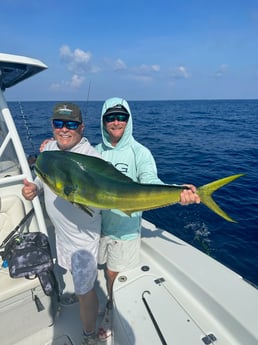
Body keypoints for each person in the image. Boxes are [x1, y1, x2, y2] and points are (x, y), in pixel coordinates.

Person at [95, 97, 201, 341]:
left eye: (121, 117)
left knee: (113, 273)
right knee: (99, 269)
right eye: (110, 117)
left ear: (129, 120)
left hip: (125, 229)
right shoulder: (95, 151)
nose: (116, 122)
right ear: (103, 121)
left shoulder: (139, 152)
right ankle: (107, 300)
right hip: (98, 227)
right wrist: (51, 147)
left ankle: (111, 311)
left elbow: (150, 182)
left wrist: (178, 191)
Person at [22, 103, 101, 345]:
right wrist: (34, 188)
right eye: (59, 123)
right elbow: (42, 176)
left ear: (81, 127)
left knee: (85, 291)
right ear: (52, 125)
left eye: (71, 124)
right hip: (62, 235)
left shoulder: (91, 158)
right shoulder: (49, 152)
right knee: (71, 277)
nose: (64, 129)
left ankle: (90, 335)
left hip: (82, 241)